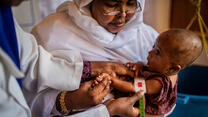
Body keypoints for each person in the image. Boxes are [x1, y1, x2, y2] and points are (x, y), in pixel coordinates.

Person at [0, 0, 144, 117]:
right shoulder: (51, 31)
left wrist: (90, 68)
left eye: (131, 4)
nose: (123, 15)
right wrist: (70, 100)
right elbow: (29, 99)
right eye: (112, 5)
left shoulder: (146, 36)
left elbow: (32, 61)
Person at [125, 29, 203, 115]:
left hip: (150, 113)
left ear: (173, 68)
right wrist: (139, 65)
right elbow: (146, 71)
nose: (150, 52)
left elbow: (135, 87)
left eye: (157, 52)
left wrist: (114, 80)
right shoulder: (164, 69)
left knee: (133, 112)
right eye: (154, 46)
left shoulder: (160, 83)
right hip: (145, 100)